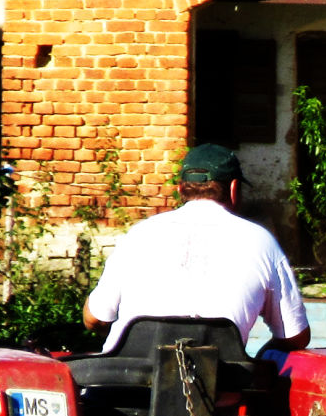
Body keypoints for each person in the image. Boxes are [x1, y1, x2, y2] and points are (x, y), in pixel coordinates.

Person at [82, 144, 311, 354]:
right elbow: (295, 336)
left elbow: (95, 319)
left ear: (181, 189)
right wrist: (257, 359)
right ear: (234, 189)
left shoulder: (139, 234)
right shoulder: (262, 242)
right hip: (214, 394)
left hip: (122, 387)